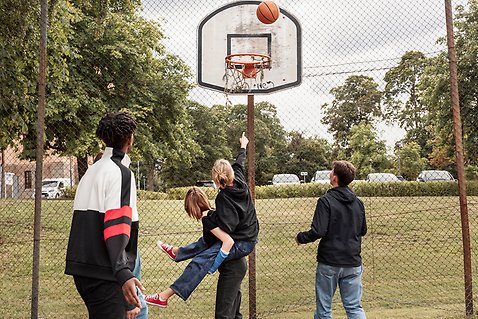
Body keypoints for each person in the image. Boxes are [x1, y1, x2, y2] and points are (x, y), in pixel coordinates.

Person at [145, 132, 259, 308]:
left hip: (242, 241)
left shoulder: (223, 198)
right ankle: (178, 252)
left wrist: (210, 217)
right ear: (231, 173)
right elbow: (240, 161)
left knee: (200, 261)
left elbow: (227, 227)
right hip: (246, 234)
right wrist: (243, 145)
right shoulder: (239, 178)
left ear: (216, 180)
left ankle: (164, 296)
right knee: (207, 240)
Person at [65, 112, 144, 319]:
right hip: (105, 274)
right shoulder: (121, 173)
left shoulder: (92, 171)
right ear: (130, 138)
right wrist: (123, 272)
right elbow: (116, 226)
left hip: (82, 270)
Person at [296, 160, 367, 319]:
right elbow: (363, 230)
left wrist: (301, 237)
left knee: (324, 308)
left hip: (330, 261)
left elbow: (318, 231)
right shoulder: (358, 203)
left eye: (331, 170)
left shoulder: (325, 201)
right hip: (352, 261)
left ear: (334, 178)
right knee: (354, 307)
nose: (330, 173)